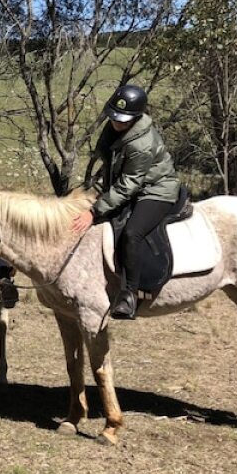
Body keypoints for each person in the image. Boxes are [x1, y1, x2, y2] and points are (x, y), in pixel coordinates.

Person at [69, 83, 181, 320]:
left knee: (132, 233)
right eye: (113, 117)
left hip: (155, 191)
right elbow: (111, 167)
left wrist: (95, 211)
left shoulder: (141, 144)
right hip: (127, 186)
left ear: (136, 116)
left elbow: (129, 183)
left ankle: (129, 294)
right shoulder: (113, 129)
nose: (116, 122)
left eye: (122, 119)